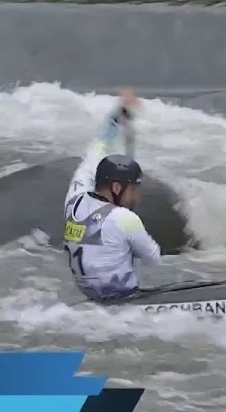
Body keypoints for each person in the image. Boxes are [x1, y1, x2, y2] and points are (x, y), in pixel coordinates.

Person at [62, 90, 162, 302]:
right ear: (116, 188)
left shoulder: (74, 200)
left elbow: (95, 152)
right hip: (123, 303)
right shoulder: (125, 220)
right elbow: (154, 258)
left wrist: (118, 115)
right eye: (134, 190)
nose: (137, 197)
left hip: (92, 300)